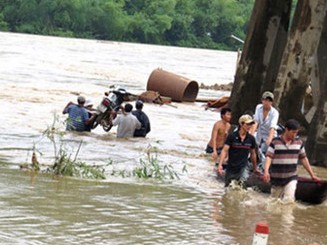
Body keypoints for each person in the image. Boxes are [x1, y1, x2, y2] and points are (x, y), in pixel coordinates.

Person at [263, 119, 320, 203]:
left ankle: (288, 216)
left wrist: (312, 175)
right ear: (286, 130)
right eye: (293, 132)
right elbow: (269, 157)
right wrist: (266, 171)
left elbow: (304, 159)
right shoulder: (275, 142)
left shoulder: (299, 143)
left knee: (289, 201)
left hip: (291, 177)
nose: (295, 135)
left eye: (296, 132)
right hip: (276, 179)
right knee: (273, 203)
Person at [217, 114, 260, 187]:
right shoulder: (232, 136)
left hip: (243, 167)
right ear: (241, 124)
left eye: (251, 124)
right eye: (247, 124)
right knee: (228, 188)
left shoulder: (251, 139)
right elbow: (224, 150)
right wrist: (220, 165)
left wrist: (255, 168)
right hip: (231, 167)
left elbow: (253, 154)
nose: (249, 126)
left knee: (242, 187)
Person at [252, 91, 279, 166]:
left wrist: (270, 139)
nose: (267, 102)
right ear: (262, 100)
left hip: (270, 135)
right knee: (256, 151)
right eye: (265, 100)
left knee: (268, 154)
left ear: (272, 102)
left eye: (269, 100)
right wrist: (251, 134)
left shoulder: (275, 112)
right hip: (260, 134)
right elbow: (256, 122)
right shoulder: (258, 107)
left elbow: (272, 127)